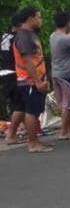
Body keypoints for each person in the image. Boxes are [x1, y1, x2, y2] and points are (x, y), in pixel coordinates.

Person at [13, 7, 53, 153]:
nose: (40, 20)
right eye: (39, 17)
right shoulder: (23, 36)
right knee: (31, 112)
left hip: (36, 79)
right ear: (30, 18)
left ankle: (35, 140)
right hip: (29, 81)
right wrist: (37, 81)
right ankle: (33, 143)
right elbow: (27, 60)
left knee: (35, 111)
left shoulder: (30, 35)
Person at [51, 11, 70, 140]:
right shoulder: (68, 39)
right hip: (68, 74)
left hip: (56, 73)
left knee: (64, 102)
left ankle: (68, 130)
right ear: (68, 22)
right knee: (69, 104)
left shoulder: (53, 35)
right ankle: (64, 131)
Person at [2, 13, 26, 145]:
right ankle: (11, 134)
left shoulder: (4, 36)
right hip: (14, 73)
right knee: (21, 105)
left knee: (17, 104)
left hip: (4, 72)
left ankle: (25, 131)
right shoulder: (19, 38)